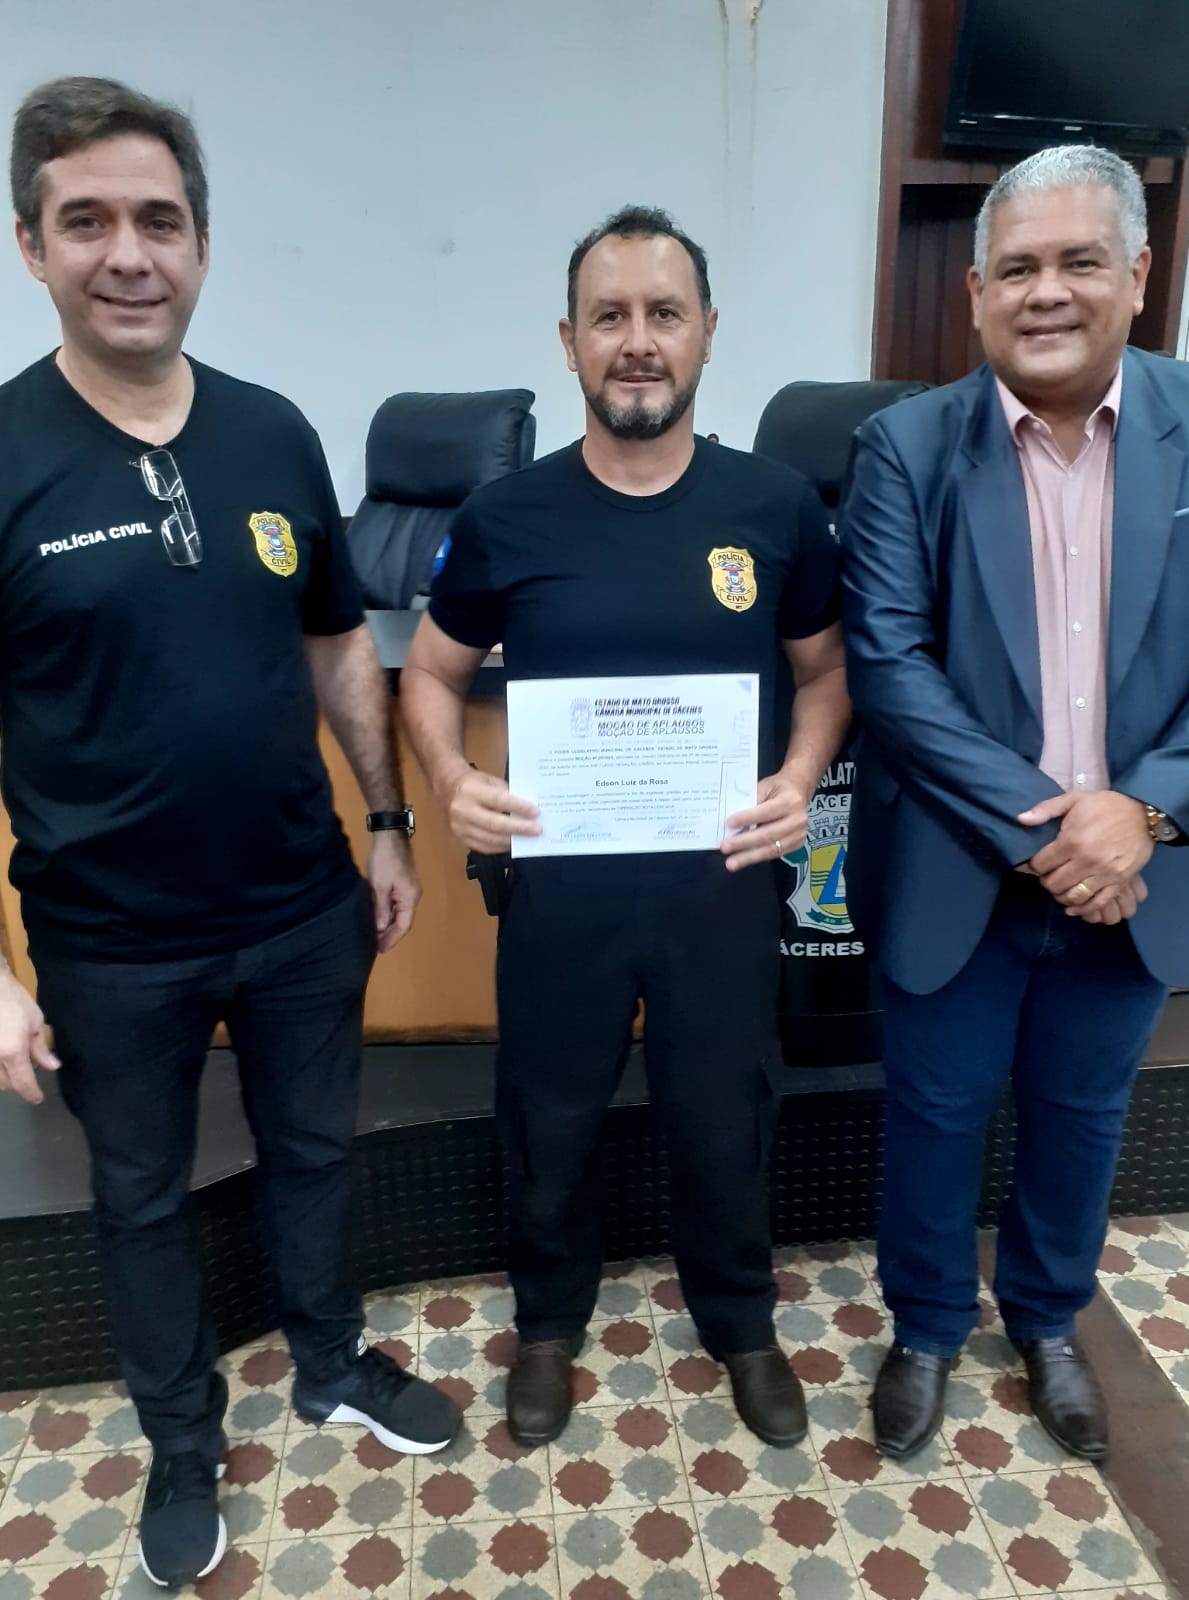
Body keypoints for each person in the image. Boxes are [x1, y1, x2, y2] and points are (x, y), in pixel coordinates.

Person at [1, 77, 459, 1587]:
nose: (129, 254)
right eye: (87, 221)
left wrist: (383, 821)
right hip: (106, 940)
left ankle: (328, 1360)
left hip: (297, 905)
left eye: (160, 219)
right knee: (137, 1198)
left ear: (202, 243)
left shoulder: (273, 433)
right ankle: (183, 1439)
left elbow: (334, 640)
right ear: (31, 246)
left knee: (315, 1150)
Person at [401, 205, 851, 1449]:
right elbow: (428, 671)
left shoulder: (775, 507)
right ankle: (548, 1322)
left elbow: (826, 672)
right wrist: (448, 774)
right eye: (610, 317)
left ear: (707, 332)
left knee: (726, 1110)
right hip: (563, 889)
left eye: (664, 313)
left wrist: (802, 772)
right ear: (569, 341)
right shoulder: (507, 515)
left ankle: (742, 1321)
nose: (638, 341)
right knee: (547, 1112)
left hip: (722, 882)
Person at [839, 144, 1189, 1465]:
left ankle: (1049, 1319)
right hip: (960, 860)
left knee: (1083, 1112)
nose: (1047, 292)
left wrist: (1140, 809)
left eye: (1079, 261)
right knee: (933, 1113)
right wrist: (1063, 827)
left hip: (1143, 868)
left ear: (1139, 275)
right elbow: (888, 662)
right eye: (1018, 268)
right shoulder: (905, 447)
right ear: (978, 291)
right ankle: (928, 1325)